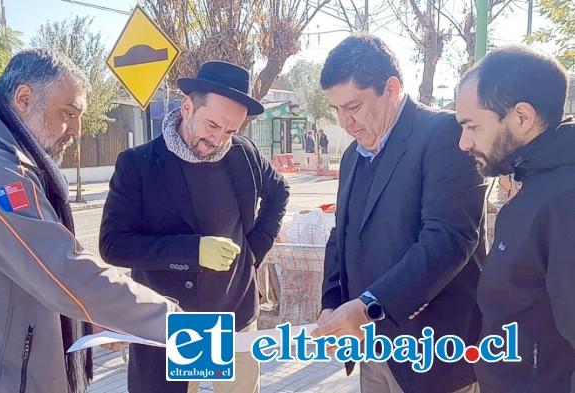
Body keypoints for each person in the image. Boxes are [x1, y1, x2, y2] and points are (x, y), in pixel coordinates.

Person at [0, 49, 179, 393]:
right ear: (24, 99)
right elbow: (59, 268)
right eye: (68, 113)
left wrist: (89, 322)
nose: (76, 129)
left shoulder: (1, 152)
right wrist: (174, 323)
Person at [99, 60, 289, 393]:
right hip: (175, 322)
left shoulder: (243, 154)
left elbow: (279, 193)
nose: (218, 139)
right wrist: (191, 251)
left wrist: (253, 250)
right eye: (212, 125)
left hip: (235, 316)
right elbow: (113, 244)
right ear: (187, 107)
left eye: (231, 131)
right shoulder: (139, 164)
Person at [311, 35, 486, 393]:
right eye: (337, 110)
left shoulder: (444, 135)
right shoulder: (353, 156)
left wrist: (370, 306)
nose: (345, 122)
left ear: (391, 89)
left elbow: (449, 239)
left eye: (354, 106)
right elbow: (340, 235)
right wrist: (331, 303)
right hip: (373, 348)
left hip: (432, 353)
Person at [455, 45, 575, 393]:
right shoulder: (537, 182)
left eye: (472, 126)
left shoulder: (564, 200)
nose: (464, 142)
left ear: (522, 116)